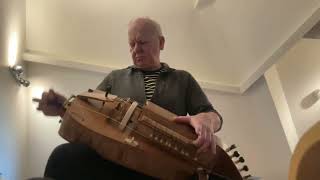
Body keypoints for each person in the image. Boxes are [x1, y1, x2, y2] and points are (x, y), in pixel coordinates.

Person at [34, 17, 223, 179]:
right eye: (132, 44)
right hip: (120, 163)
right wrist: (64, 108)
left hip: (169, 166)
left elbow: (214, 116)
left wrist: (206, 120)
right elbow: (90, 117)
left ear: (161, 42)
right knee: (63, 156)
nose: (135, 49)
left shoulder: (183, 79)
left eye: (142, 43)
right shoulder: (115, 78)